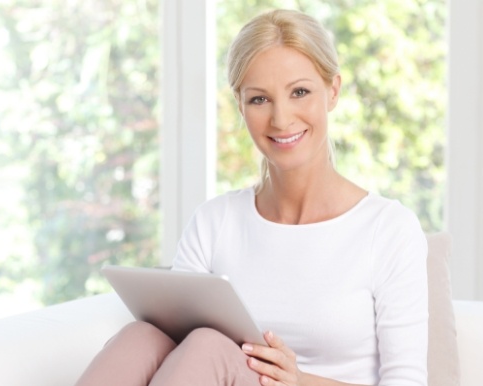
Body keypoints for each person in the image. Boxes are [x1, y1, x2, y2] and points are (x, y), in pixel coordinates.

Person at [75, 8, 428, 386]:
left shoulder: (388, 228)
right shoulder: (215, 222)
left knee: (209, 346)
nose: (281, 119)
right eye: (260, 100)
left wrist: (298, 380)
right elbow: (173, 350)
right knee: (141, 336)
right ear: (240, 107)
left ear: (333, 91)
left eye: (300, 92)